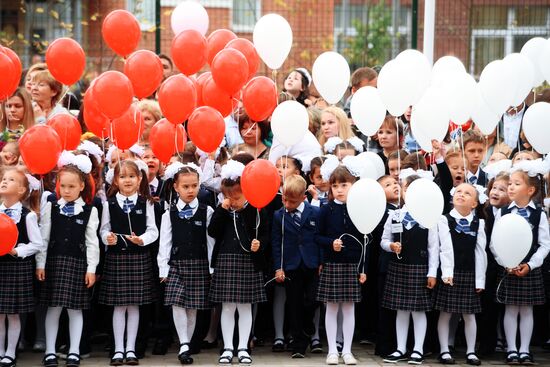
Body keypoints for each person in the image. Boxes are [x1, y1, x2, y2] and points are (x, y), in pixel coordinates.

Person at [36, 155, 100, 367]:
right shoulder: (51, 208)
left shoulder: (90, 211)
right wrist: (40, 264)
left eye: (72, 186)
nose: (67, 190)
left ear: (82, 186)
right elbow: (43, 238)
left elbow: (92, 243)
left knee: (75, 309)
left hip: (77, 264)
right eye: (63, 186)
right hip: (54, 263)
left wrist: (91, 269)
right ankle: (50, 351)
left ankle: (74, 351)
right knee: (53, 308)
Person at [208, 160, 268, 365]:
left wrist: (258, 244)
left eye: (237, 196)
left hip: (247, 261)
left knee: (245, 307)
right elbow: (212, 231)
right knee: (226, 307)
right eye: (228, 196)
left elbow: (264, 233)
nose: (232, 200)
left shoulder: (255, 210)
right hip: (226, 260)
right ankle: (227, 347)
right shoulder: (223, 211)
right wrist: (222, 210)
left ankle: (243, 346)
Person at [99, 160, 159, 366]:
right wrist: (107, 237)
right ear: (116, 179)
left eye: (132, 176)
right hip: (117, 258)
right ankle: (118, 349)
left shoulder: (146, 202)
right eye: (123, 177)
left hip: (138, 257)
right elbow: (104, 229)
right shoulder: (110, 203)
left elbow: (154, 230)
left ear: (140, 179)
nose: (127, 180)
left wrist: (142, 239)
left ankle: (131, 348)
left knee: (134, 306)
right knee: (118, 306)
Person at [492, 161, 550, 365]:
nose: (511, 187)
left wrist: (531, 265)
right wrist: (505, 262)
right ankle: (512, 349)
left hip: (528, 268)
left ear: (530, 189)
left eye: (516, 183)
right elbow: (494, 243)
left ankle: (525, 350)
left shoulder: (539, 214)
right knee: (510, 309)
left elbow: (544, 245)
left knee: (526, 309)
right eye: (510, 183)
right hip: (509, 266)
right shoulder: (503, 212)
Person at [158, 163, 215, 365]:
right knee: (176, 302)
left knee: (192, 307)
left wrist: (211, 267)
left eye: (194, 186)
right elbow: (165, 242)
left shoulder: (206, 211)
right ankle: (183, 343)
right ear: (176, 187)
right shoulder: (169, 213)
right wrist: (163, 268)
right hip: (177, 264)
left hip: (199, 263)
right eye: (186, 187)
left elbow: (210, 242)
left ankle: (186, 345)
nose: (191, 190)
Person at [381, 174, 439, 365]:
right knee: (401, 310)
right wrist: (391, 246)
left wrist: (432, 272)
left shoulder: (429, 217)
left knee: (418, 311)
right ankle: (400, 348)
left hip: (419, 267)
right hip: (398, 266)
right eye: (407, 189)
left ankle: (418, 349)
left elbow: (433, 248)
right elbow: (384, 240)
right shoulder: (394, 214)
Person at [316, 160, 366, 366]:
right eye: (335, 186)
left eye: (344, 185)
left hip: (352, 265)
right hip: (332, 264)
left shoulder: (359, 209)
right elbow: (317, 236)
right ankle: (332, 351)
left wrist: (363, 268)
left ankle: (347, 350)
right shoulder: (325, 209)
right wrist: (330, 243)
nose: (339, 190)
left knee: (349, 309)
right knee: (331, 308)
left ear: (353, 184)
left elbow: (365, 240)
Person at [436, 183, 487, 365]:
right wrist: (447, 272)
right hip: (450, 272)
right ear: (452, 197)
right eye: (459, 191)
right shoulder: (444, 220)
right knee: (446, 313)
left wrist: (480, 280)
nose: (462, 195)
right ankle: (444, 350)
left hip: (469, 273)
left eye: (467, 193)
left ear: (474, 203)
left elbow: (480, 252)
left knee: (469, 314)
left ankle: (471, 351)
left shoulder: (478, 223)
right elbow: (445, 248)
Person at [272, 175, 321, 358]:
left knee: (313, 299)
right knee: (293, 304)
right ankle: (298, 344)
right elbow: (277, 243)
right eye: (284, 199)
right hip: (291, 265)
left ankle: (308, 325)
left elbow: (318, 239)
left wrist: (321, 261)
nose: (287, 204)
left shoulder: (315, 212)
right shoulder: (279, 216)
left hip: (311, 263)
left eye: (292, 201)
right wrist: (279, 267)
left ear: (303, 197)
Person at [0, 168, 43, 367]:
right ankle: (0, 350)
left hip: (17, 267)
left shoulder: (28, 216)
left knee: (13, 313)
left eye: (11, 180)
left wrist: (17, 251)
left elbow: (37, 244)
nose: (4, 182)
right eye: (3, 178)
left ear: (21, 190)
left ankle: (10, 352)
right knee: (0, 313)